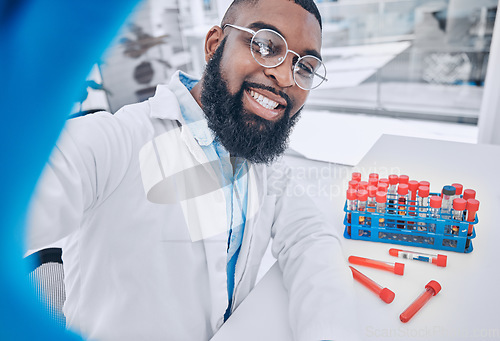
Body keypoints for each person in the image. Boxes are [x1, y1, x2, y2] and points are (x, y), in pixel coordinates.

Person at [26, 0, 358, 340]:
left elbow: (310, 239)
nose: (286, 77)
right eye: (265, 45)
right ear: (215, 45)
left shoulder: (257, 156)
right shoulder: (116, 141)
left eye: (304, 67)